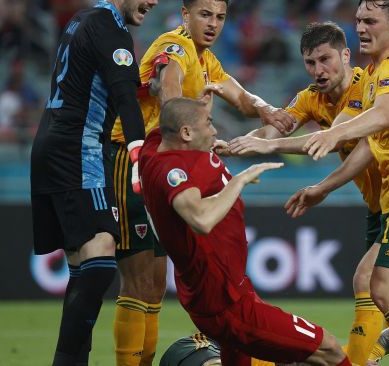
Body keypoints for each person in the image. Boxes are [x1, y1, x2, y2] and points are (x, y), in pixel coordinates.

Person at [108, 1, 296, 364]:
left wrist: (264, 108)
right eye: (205, 15)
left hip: (163, 169)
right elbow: (169, 85)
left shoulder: (206, 59)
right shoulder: (174, 45)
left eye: (220, 17)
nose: (213, 24)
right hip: (133, 160)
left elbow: (239, 96)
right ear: (185, 15)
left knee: (154, 284)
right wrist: (190, 134)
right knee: (139, 279)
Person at [285, 1, 389, 365]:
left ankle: (367, 358)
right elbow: (368, 144)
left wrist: (334, 136)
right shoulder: (374, 73)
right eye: (359, 20)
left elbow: (381, 116)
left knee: (378, 285)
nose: (361, 27)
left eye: (370, 21)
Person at [139, 96, 351, 366]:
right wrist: (239, 180)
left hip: (225, 290)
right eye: (209, 123)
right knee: (328, 350)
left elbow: (172, 104)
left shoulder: (157, 143)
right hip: (226, 303)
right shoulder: (173, 170)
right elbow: (201, 219)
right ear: (186, 133)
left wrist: (207, 89)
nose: (215, 131)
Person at [228, 21, 389, 366]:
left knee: (369, 281)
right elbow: (276, 128)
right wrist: (238, 144)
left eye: (325, 59)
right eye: (310, 63)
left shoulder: (367, 86)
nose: (318, 70)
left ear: (346, 56)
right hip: (379, 206)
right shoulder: (310, 98)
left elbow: (337, 138)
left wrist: (264, 146)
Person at [29, 0, 157, 365]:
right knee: (102, 253)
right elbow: (124, 96)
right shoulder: (110, 27)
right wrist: (138, 155)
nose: (154, 1)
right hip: (77, 150)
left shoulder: (81, 20)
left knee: (81, 265)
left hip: (47, 147)